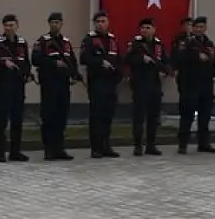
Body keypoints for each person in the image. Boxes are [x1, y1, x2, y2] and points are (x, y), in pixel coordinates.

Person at [32, 12, 77, 161]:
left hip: (63, 84)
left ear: (61, 24)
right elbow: (36, 59)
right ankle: (49, 149)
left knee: (61, 116)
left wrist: (75, 74)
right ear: (49, 24)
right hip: (49, 84)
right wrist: (53, 63)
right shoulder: (42, 41)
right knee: (49, 116)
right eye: (52, 22)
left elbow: (72, 60)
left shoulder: (66, 42)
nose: (55, 25)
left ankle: (59, 148)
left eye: (57, 22)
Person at [0, 14, 32, 162]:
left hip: (18, 86)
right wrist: (3, 64)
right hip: (2, 86)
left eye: (11, 25)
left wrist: (26, 74)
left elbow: (26, 62)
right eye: (6, 25)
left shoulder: (22, 42)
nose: (9, 28)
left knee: (17, 120)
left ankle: (15, 151)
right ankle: (0, 152)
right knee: (1, 120)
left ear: (17, 26)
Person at [80, 11, 122, 158]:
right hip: (97, 82)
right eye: (98, 21)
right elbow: (84, 58)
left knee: (108, 116)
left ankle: (106, 146)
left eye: (103, 21)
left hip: (111, 83)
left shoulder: (112, 40)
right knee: (97, 115)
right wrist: (99, 62)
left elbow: (119, 60)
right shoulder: (89, 40)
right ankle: (96, 148)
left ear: (108, 23)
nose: (100, 24)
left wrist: (119, 75)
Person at [124, 17, 168, 157]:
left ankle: (151, 145)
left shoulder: (159, 45)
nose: (145, 30)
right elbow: (127, 59)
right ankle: (138, 146)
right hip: (140, 84)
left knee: (153, 117)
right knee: (139, 117)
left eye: (148, 27)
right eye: (143, 27)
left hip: (155, 84)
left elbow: (167, 62)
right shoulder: (135, 44)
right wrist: (141, 59)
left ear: (154, 30)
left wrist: (165, 72)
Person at [176, 16, 215, 154]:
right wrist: (196, 56)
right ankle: (183, 144)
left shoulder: (209, 43)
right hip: (190, 83)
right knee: (187, 114)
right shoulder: (186, 42)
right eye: (196, 27)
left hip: (206, 83)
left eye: (202, 27)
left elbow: (213, 60)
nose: (199, 29)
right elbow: (180, 58)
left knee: (205, 115)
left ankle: (204, 143)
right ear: (193, 28)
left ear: (205, 28)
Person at [171, 17, 193, 99]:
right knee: (183, 94)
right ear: (183, 26)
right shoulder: (178, 39)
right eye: (187, 25)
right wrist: (175, 69)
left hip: (195, 70)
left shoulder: (198, 38)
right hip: (182, 70)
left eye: (191, 25)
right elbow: (174, 55)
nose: (189, 27)